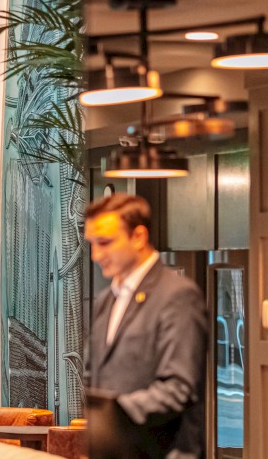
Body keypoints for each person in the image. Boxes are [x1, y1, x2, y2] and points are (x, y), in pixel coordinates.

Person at [82, 194, 208, 459]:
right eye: (92, 244)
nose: (96, 255)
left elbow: (179, 388)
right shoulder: (105, 301)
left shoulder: (178, 295)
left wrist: (114, 414)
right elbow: (94, 376)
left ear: (138, 237)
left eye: (105, 243)